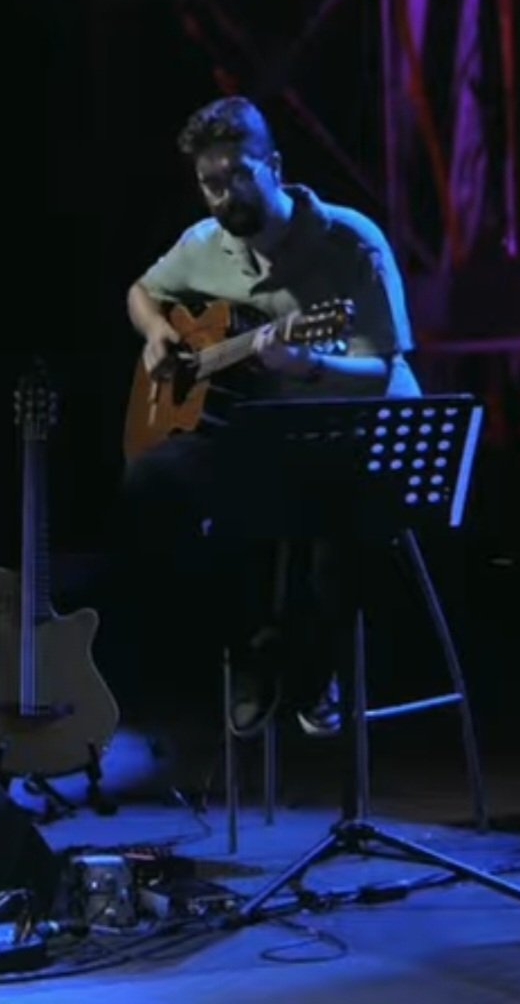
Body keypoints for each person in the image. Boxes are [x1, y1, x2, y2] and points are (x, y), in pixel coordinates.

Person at [119, 95, 421, 740]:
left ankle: (315, 665)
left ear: (275, 166)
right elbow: (142, 293)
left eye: (238, 175)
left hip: (361, 433)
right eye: (210, 183)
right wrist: (156, 334)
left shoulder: (350, 241)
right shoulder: (204, 245)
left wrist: (307, 364)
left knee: (326, 528)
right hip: (274, 436)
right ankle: (249, 649)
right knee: (152, 482)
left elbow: (381, 369)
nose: (224, 196)